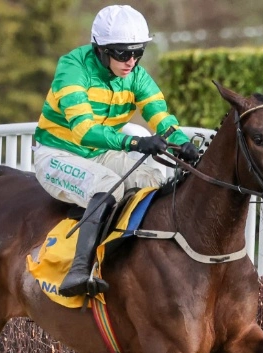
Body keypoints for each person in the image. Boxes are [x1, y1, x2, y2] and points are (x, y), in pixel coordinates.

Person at [33, 4, 199, 298]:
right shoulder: (72, 68)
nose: (131, 61)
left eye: (138, 53)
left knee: (152, 179)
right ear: (101, 49)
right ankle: (79, 271)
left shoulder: (135, 74)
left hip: (99, 153)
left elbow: (159, 115)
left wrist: (181, 141)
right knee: (108, 186)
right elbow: (83, 130)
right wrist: (134, 143)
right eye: (123, 53)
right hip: (58, 154)